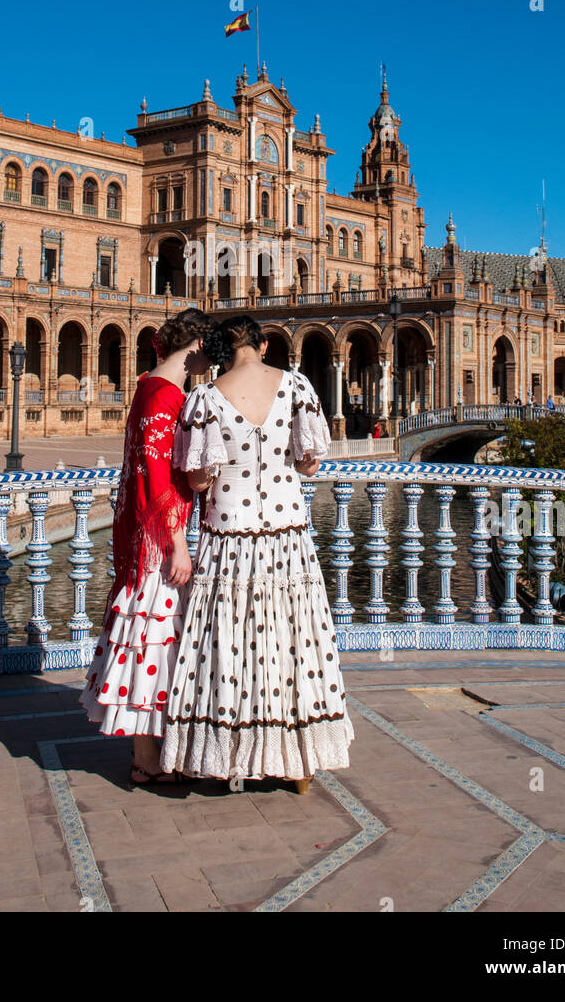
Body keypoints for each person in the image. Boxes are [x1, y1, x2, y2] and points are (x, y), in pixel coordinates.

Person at [162, 315, 354, 792]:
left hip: (230, 536)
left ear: (223, 349)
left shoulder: (204, 398)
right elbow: (310, 464)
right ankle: (298, 762)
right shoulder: (297, 386)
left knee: (232, 640)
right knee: (293, 639)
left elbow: (198, 479)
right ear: (264, 345)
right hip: (287, 535)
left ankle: (225, 755)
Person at [80, 307, 212, 785]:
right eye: (207, 351)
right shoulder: (164, 395)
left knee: (150, 638)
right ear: (196, 346)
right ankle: (145, 758)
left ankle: (152, 750)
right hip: (159, 536)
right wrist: (178, 543)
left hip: (145, 530)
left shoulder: (148, 386)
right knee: (151, 638)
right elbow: (157, 475)